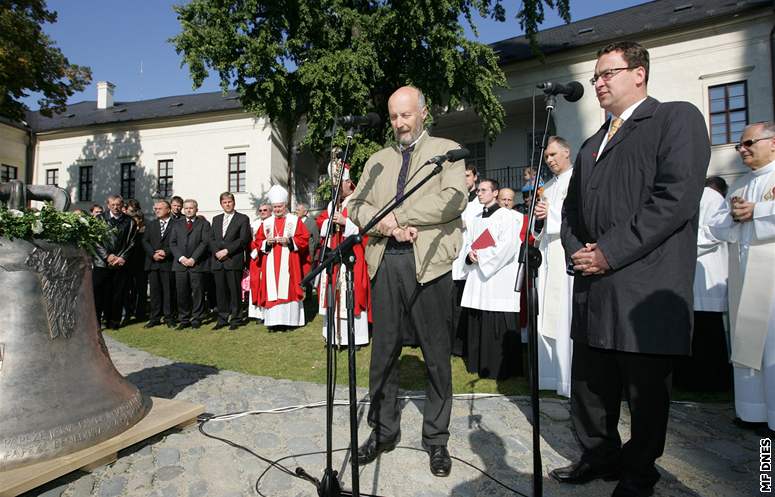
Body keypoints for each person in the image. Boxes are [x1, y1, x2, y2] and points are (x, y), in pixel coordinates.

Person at [555, 41, 710, 497]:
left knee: (644, 391)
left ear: (639, 73)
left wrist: (608, 251)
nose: (598, 83)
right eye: (595, 76)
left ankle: (640, 472)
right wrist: (577, 251)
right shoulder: (589, 144)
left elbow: (675, 198)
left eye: (607, 73)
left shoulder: (674, 119)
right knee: (590, 383)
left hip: (644, 283)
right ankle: (599, 454)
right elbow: (570, 212)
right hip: (593, 283)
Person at [348, 85, 467, 477]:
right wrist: (382, 222)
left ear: (424, 112)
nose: (399, 122)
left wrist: (402, 216)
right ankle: (383, 431)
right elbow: (356, 203)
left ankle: (436, 438)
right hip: (384, 261)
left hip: (430, 263)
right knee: (383, 353)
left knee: (436, 355)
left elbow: (453, 199)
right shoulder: (377, 160)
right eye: (394, 115)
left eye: (406, 114)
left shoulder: (447, 151)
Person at [704, 122, 775, 431]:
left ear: (772, 143)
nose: (742, 149)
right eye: (739, 146)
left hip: (771, 278)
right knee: (746, 342)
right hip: (744, 274)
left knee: (771, 346)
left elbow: (760, 215)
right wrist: (735, 215)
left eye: (748, 143)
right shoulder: (742, 184)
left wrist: (755, 212)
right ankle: (752, 410)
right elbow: (715, 225)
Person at [457, 178, 522, 379]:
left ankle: (499, 367)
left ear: (495, 193)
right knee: (479, 317)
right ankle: (477, 363)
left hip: (498, 276)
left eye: (484, 190)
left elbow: (508, 246)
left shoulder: (507, 217)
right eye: (478, 190)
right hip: (479, 276)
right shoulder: (476, 217)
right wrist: (470, 255)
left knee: (496, 316)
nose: (479, 193)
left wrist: (482, 256)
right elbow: (469, 243)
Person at [674, 176, 731, 392]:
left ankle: (710, 382)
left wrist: (681, 241)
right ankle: (689, 380)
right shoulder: (688, 193)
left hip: (705, 272)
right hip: (686, 273)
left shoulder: (710, 197)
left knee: (706, 332)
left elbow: (716, 232)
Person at [532, 136, 574, 398]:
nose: (550, 160)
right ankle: (548, 376)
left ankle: (567, 379)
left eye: (554, 154)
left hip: (565, 249)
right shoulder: (546, 186)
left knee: (563, 314)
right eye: (547, 157)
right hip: (547, 251)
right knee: (546, 312)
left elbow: (579, 213)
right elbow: (538, 227)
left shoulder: (579, 179)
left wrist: (552, 214)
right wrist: (538, 218)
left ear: (567, 152)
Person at [316, 165, 371, 346]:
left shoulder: (359, 201)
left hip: (352, 255)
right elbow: (322, 224)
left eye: (340, 185)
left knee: (352, 292)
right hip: (334, 254)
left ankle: (355, 337)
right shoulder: (333, 203)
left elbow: (367, 228)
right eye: (334, 186)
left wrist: (345, 222)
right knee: (334, 291)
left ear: (348, 182)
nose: (337, 190)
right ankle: (333, 336)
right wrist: (330, 222)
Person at [253, 185, 310, 328]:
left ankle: (290, 321)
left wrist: (289, 241)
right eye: (275, 207)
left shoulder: (294, 220)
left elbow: (304, 239)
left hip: (290, 261)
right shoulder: (266, 223)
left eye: (280, 206)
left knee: (289, 288)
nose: (278, 209)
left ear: (285, 206)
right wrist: (267, 242)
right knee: (273, 289)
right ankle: (273, 322)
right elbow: (258, 241)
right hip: (271, 260)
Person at [92, 194, 137, 330]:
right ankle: (96, 322)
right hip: (102, 263)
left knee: (117, 293)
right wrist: (107, 256)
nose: (116, 207)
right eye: (113, 205)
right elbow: (95, 240)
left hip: (120, 263)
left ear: (122, 205)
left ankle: (114, 321)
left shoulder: (130, 222)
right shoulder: (99, 219)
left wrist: (122, 257)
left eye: (118, 204)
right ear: (108, 205)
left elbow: (132, 242)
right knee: (99, 294)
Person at [210, 192, 251, 330]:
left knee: (234, 291)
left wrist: (227, 251)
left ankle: (236, 318)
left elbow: (243, 239)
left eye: (229, 202)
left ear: (234, 202)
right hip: (218, 261)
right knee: (220, 292)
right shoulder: (216, 219)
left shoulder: (242, 218)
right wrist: (217, 252)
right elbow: (211, 239)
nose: (227, 204)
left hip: (233, 260)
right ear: (221, 204)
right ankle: (222, 319)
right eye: (224, 202)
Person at [169, 199, 211, 329]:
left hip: (196, 264)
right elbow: (172, 243)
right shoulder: (177, 224)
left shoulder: (204, 224)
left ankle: (197, 317)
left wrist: (193, 258)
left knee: (197, 292)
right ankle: (184, 318)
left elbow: (204, 242)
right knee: (182, 292)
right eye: (186, 208)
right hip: (180, 264)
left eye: (191, 208)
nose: (188, 210)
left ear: (196, 209)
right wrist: (181, 258)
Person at [142, 200, 176, 328]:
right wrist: (153, 254)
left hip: (168, 263)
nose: (156, 210)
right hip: (153, 263)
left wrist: (165, 252)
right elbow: (145, 241)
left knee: (168, 291)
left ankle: (169, 317)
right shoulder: (151, 224)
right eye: (155, 208)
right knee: (155, 292)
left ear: (168, 209)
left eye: (159, 208)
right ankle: (154, 317)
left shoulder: (176, 224)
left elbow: (177, 242)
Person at [248, 203, 272, 321]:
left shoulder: (273, 222)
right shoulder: (254, 224)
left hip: (268, 257)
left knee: (266, 284)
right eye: (260, 210)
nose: (262, 212)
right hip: (255, 258)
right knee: (256, 283)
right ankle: (257, 313)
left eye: (265, 210)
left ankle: (267, 313)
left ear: (270, 211)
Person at [295, 202, 320, 277]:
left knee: (307, 277)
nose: (296, 211)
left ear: (305, 212)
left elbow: (316, 239)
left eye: (298, 210)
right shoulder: (294, 221)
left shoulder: (311, 223)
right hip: (297, 254)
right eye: (296, 209)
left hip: (308, 255)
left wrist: (312, 253)